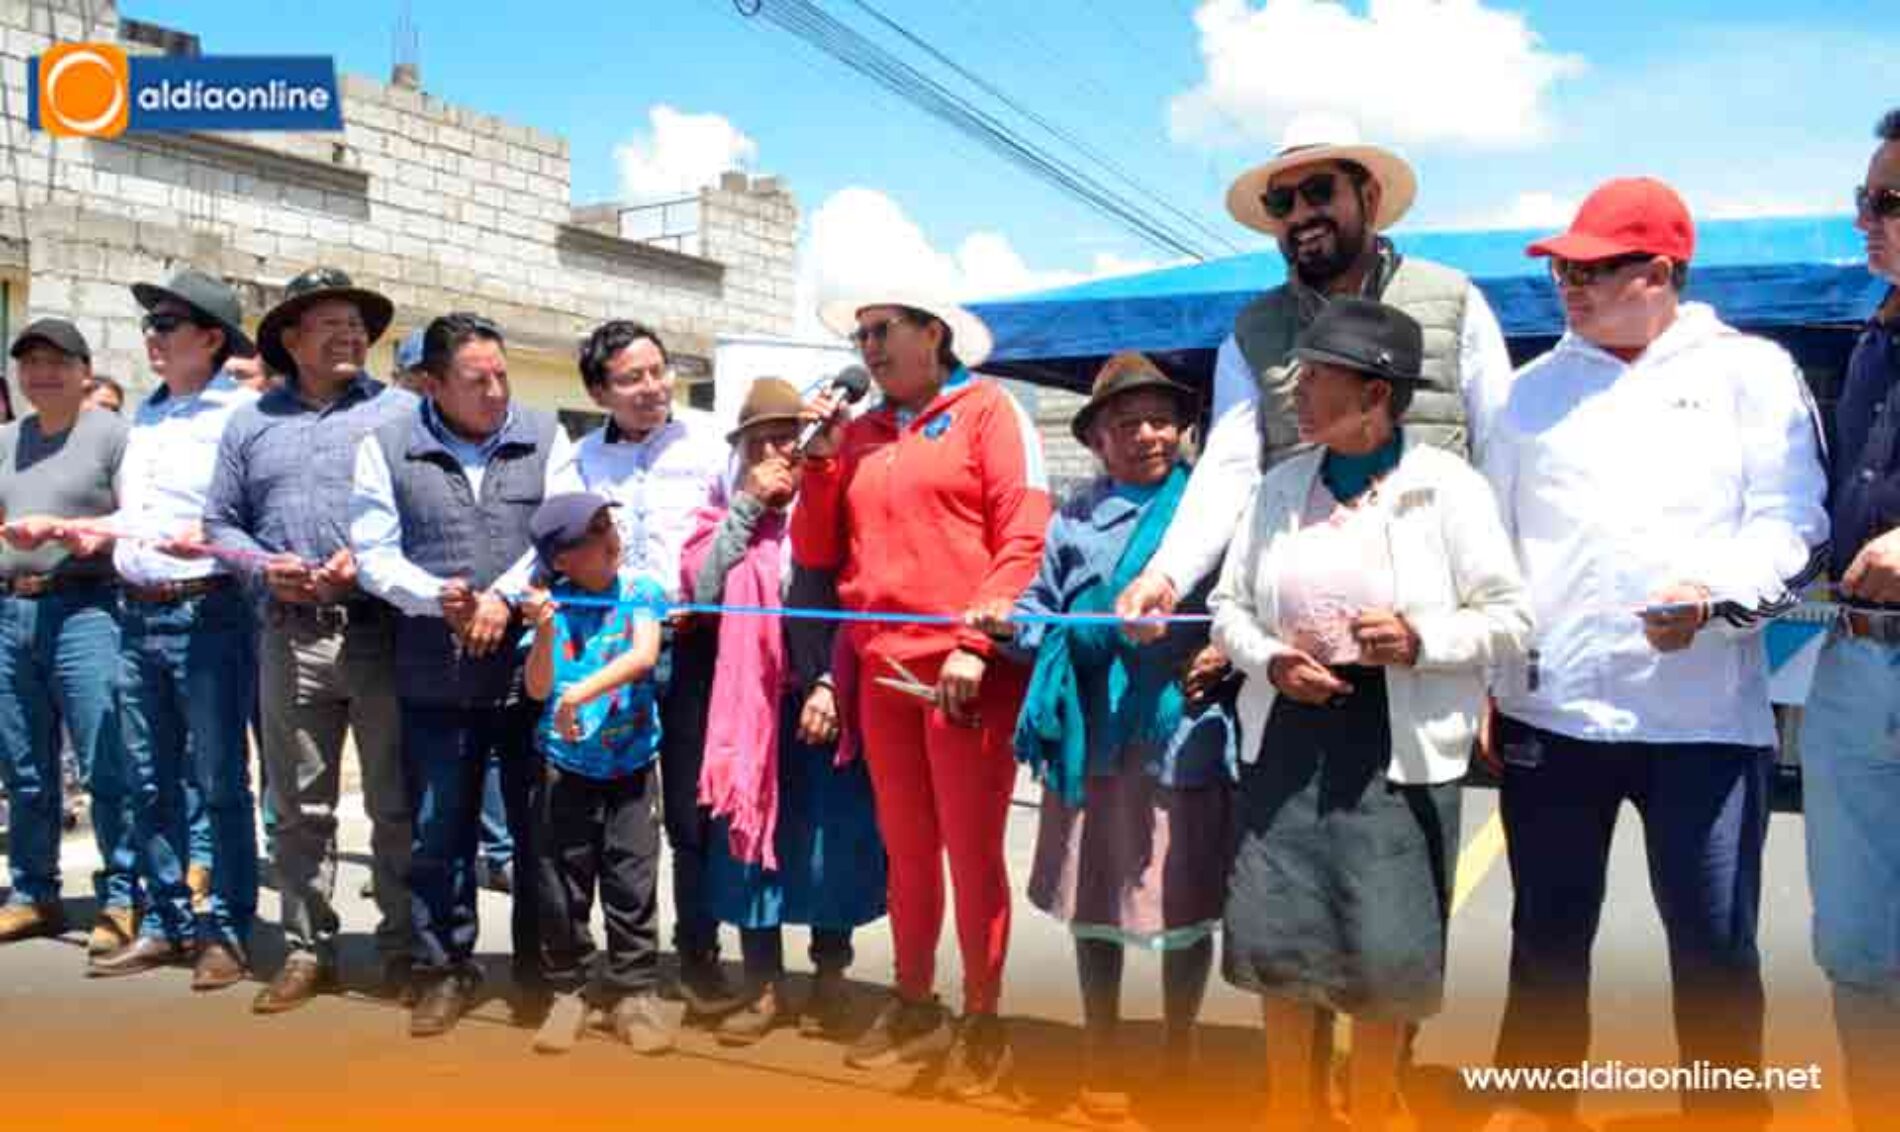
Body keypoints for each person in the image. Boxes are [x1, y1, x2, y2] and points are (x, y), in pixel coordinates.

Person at [1482, 179, 1828, 1132]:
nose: (1571, 285)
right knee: (1544, 939)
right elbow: (1494, 549)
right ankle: (1536, 1111)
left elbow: (1794, 521)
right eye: (1563, 269)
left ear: (1662, 273)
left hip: (1704, 720)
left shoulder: (1752, 372)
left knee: (1714, 949)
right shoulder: (1528, 392)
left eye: (1594, 269)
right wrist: (1487, 683)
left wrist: (1714, 597)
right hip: (1552, 714)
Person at [1211, 298, 1531, 1132]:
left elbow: (1510, 617)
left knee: (1385, 945)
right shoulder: (1281, 486)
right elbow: (1228, 608)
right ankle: (1290, 1109)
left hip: (1394, 744)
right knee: (1279, 936)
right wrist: (1270, 659)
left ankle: (1371, 1107)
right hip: (1288, 732)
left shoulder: (1448, 489)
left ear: (1375, 394)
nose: (1296, 391)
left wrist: (1420, 640)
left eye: (1316, 376)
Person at [1118, 113, 1511, 640]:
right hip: (1303, 636)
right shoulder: (1252, 334)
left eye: (1320, 191)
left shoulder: (1454, 302)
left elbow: (1501, 452)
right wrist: (1167, 575)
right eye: (1282, 203)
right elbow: (1229, 471)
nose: (1301, 214)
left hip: (1432, 623)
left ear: (1369, 197)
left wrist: (1495, 620)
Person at [795, 290, 1050, 1097]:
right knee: (906, 851)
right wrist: (820, 461)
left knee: (972, 854)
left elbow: (1024, 536)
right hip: (882, 670)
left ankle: (984, 1018)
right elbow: (816, 550)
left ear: (933, 333)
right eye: (860, 336)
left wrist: (977, 645)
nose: (867, 347)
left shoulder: (989, 411)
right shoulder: (859, 432)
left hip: (964, 672)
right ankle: (913, 1002)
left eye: (882, 331)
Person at [969, 353, 1236, 1120]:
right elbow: (1039, 609)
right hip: (1092, 738)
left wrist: (1221, 650)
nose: (1147, 435)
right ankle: (1102, 1051)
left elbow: (1246, 600)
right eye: (1127, 424)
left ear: (1184, 429)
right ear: (1096, 440)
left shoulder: (1211, 513)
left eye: (1161, 420)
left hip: (1181, 733)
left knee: (1183, 902)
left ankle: (1180, 1048)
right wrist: (1006, 625)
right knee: (1095, 902)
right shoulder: (1074, 520)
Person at [349, 311, 581, 1037]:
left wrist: (500, 600)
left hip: (529, 670)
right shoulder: (386, 446)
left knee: (539, 828)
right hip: (435, 671)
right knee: (439, 829)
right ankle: (443, 969)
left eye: (501, 374)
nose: (496, 391)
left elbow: (560, 533)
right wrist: (437, 598)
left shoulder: (545, 435)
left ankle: (541, 971)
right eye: (477, 380)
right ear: (433, 384)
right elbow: (373, 552)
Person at [203, 267, 417, 1011]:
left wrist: (375, 558)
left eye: (357, 324)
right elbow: (219, 522)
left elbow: (428, 511)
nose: (350, 335)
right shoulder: (251, 423)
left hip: (382, 634)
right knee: (298, 809)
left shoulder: (402, 413)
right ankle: (305, 949)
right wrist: (264, 568)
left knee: (395, 802)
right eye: (331, 323)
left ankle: (402, 948)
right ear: (290, 339)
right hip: (289, 637)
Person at [681, 378, 886, 1047]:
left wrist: (831, 683)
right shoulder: (722, 515)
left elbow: (861, 603)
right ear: (740, 452)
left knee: (832, 844)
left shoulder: (839, 510)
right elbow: (702, 591)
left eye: (787, 437)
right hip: (751, 713)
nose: (776, 452)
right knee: (749, 847)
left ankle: (829, 979)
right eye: (760, 441)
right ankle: (763, 984)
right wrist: (748, 507)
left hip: (826, 703)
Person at [76, 268, 263, 989]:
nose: (151, 337)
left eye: (166, 324)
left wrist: (209, 536)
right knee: (146, 781)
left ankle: (227, 928)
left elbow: (253, 517)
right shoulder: (148, 415)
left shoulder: (241, 415)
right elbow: (139, 516)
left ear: (211, 339)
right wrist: (85, 530)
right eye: (149, 325)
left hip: (207, 612)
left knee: (218, 781)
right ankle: (166, 922)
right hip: (136, 613)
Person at [571, 319, 735, 1014]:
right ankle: (622, 962)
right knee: (615, 814)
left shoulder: (713, 443)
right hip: (612, 651)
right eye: (630, 378)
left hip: (693, 646)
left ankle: (699, 955)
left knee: (693, 813)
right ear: (599, 392)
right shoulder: (580, 459)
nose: (652, 387)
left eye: (658, 371)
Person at [1797, 107, 1900, 1131]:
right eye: (1862, 199)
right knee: (1856, 950)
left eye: (1889, 201)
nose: (1865, 219)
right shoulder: (1873, 337)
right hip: (1852, 666)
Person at [0, 320, 138, 956]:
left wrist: (76, 531)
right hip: (11, 612)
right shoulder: (8, 440)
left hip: (86, 607)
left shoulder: (113, 435)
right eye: (30, 363)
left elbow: (138, 518)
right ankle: (33, 892)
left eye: (57, 362)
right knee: (24, 766)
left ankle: (124, 894)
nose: (42, 374)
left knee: (104, 759)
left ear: (84, 371)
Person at [521, 492, 675, 1056]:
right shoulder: (551, 604)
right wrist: (542, 631)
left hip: (632, 767)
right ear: (562, 559)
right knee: (563, 885)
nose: (612, 538)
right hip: (565, 768)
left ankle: (634, 993)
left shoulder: (641, 590)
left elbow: (643, 655)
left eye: (610, 524)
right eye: (594, 534)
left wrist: (580, 693)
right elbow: (537, 687)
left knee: (632, 881)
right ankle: (571, 992)